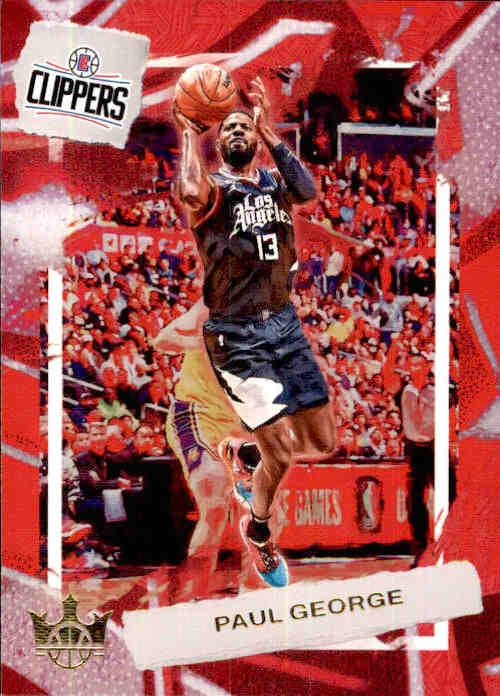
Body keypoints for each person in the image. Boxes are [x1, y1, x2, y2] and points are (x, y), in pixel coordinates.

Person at [173, 76, 335, 587]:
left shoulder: (273, 183)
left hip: (284, 325)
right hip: (238, 336)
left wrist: (269, 131)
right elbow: (189, 190)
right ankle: (260, 532)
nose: (238, 131)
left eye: (245, 126)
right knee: (281, 452)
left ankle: (244, 454)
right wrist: (188, 134)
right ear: (220, 143)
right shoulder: (213, 190)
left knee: (322, 442)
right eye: (230, 128)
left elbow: (308, 191)